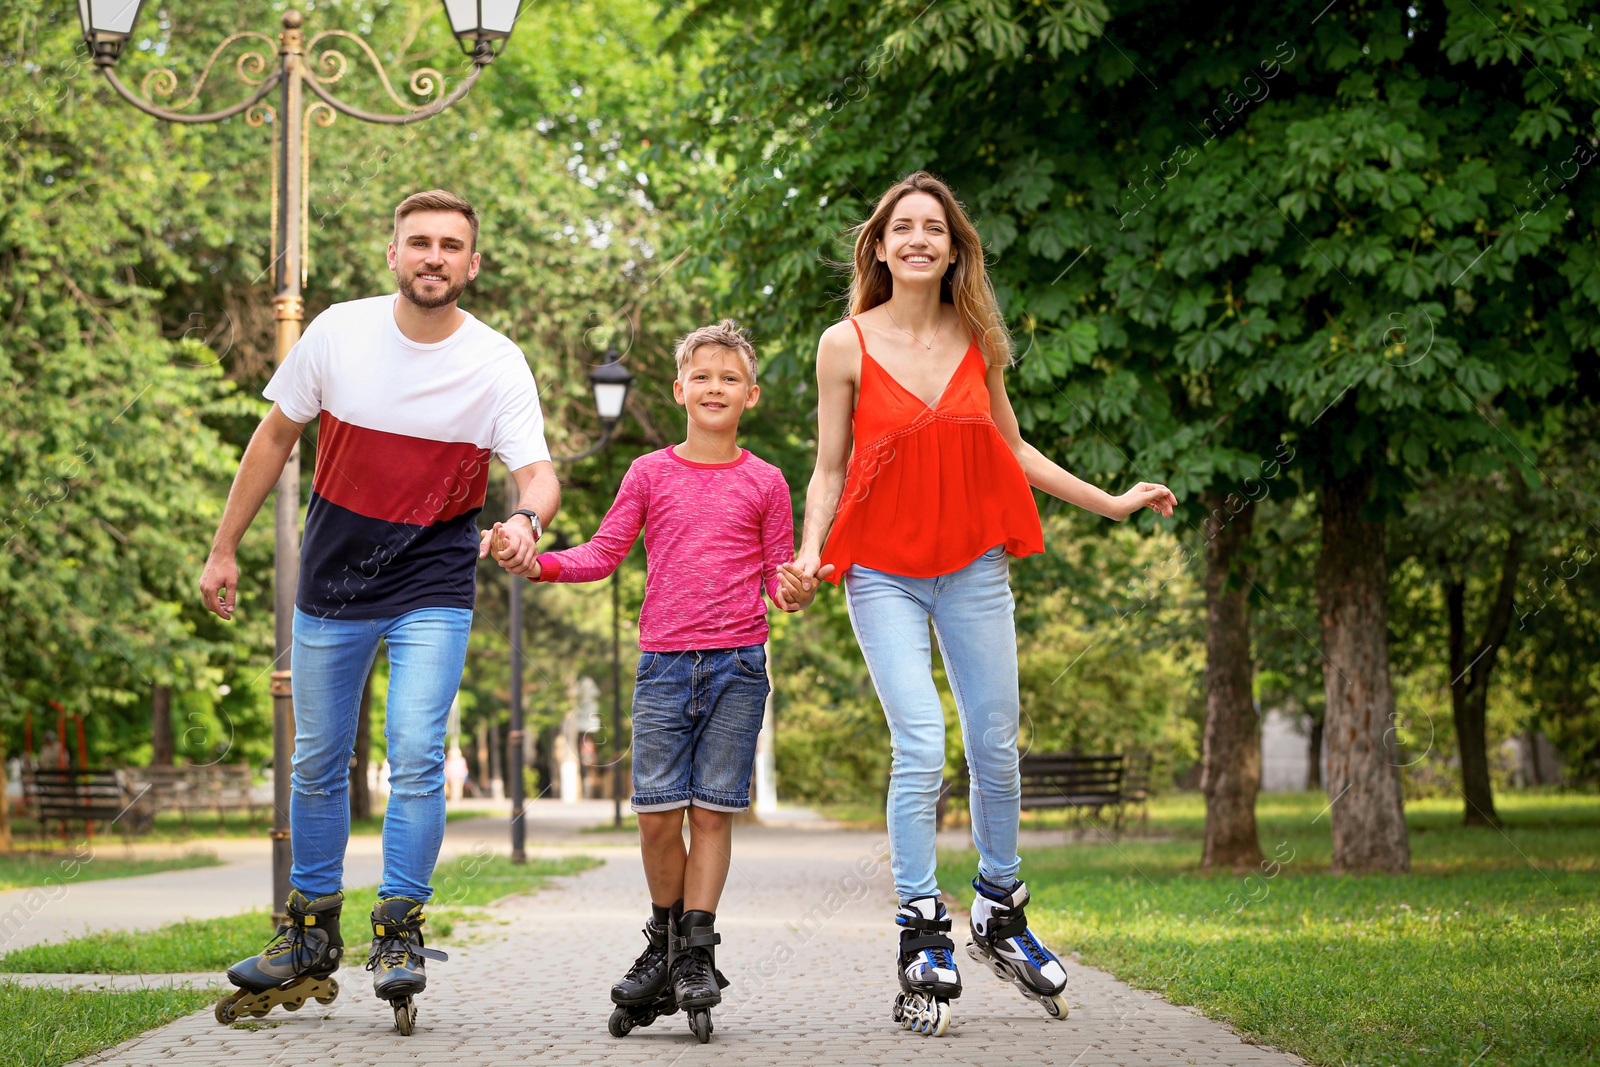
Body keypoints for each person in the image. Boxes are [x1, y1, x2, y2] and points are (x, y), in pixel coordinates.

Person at [781, 172, 1176, 1037]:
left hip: (971, 562)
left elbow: (1012, 444)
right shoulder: (841, 343)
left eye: (935, 228)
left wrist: (1109, 502)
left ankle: (999, 907)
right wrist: (810, 552)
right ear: (880, 247)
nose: (918, 239)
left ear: (954, 249)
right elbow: (827, 466)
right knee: (920, 739)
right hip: (880, 565)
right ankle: (923, 930)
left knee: (997, 740)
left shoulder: (979, 337)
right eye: (902, 228)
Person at [199, 190, 559, 1034]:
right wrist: (223, 548)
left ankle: (398, 926)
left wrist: (523, 519)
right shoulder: (336, 332)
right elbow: (273, 440)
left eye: (452, 246)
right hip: (334, 581)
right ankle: (309, 930)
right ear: (393, 254)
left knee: (416, 751)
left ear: (473, 264)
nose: (434, 256)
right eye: (419, 242)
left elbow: (536, 472)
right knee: (318, 758)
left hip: (434, 579)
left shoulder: (498, 360)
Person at [489, 319, 798, 1044]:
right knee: (659, 814)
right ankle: (664, 945)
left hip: (738, 665)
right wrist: (539, 563)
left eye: (729, 377)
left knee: (713, 811)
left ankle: (694, 953)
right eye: (702, 376)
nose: (715, 386)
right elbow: (602, 552)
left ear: (750, 394)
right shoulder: (650, 472)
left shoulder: (767, 481)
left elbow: (777, 576)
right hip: (663, 666)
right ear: (679, 388)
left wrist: (796, 589)